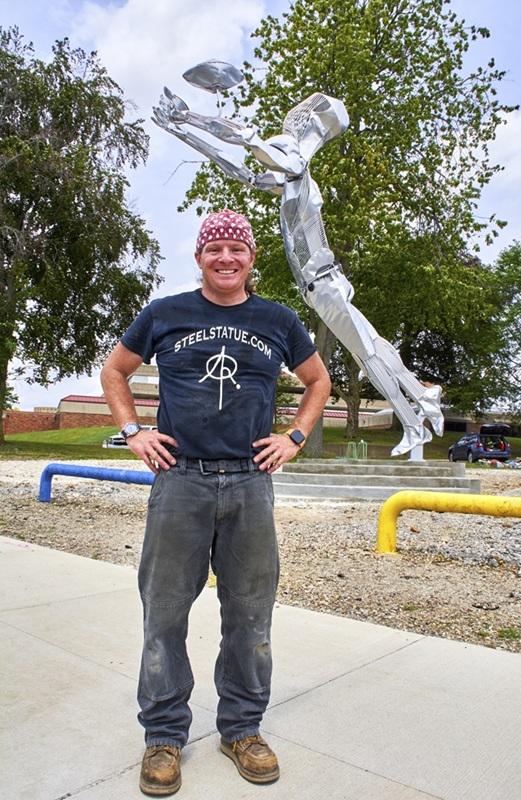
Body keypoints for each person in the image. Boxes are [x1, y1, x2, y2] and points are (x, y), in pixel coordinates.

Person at [100, 209, 331, 796]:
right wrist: (133, 432)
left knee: (250, 616)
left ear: (251, 258)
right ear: (199, 257)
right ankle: (163, 735)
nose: (226, 259)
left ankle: (242, 729)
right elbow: (115, 371)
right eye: (214, 250)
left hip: (250, 483)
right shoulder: (165, 313)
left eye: (237, 250)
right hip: (181, 481)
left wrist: (294, 437)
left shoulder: (277, 320)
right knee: (164, 613)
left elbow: (318, 381)